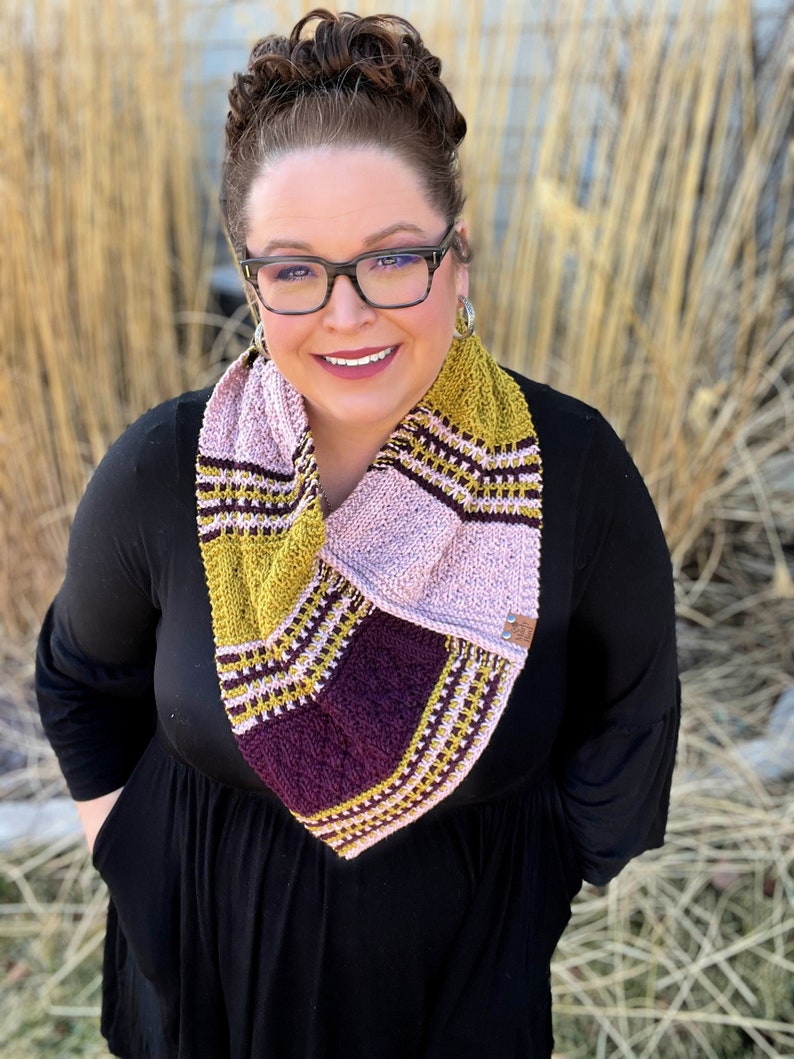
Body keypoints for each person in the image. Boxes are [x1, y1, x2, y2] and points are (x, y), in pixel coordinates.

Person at [35, 9, 680, 1058]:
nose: (345, 316)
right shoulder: (165, 470)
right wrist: (135, 862)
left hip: (460, 979)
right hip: (201, 960)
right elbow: (79, 683)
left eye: (391, 261)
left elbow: (628, 718)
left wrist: (533, 891)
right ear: (252, 280)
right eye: (294, 270)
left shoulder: (571, 471)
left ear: (457, 255)